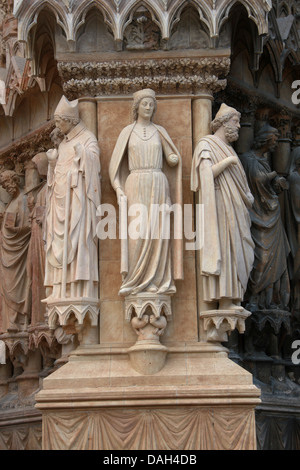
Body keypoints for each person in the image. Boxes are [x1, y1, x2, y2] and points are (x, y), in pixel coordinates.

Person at [109, 88, 183, 297]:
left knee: (158, 233)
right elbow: (114, 166)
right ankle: (135, 279)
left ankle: (157, 280)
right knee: (137, 233)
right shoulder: (127, 132)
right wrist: (118, 189)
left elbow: (172, 157)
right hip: (135, 183)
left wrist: (174, 158)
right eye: (145, 104)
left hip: (158, 182)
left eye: (151, 104)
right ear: (137, 107)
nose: (148, 107)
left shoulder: (159, 131)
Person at [191, 103, 255, 311]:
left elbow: (240, 182)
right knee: (226, 247)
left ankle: (234, 297)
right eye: (235, 122)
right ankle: (226, 299)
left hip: (236, 208)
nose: (238, 127)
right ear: (224, 123)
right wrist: (228, 162)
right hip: (220, 205)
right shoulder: (206, 144)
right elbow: (204, 175)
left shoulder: (228, 149)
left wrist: (247, 196)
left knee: (241, 248)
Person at [44, 96, 101, 301]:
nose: (58, 127)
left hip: (77, 201)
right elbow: (56, 174)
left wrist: (83, 155)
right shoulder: (64, 143)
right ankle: (61, 288)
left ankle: (78, 287)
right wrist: (52, 164)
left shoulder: (87, 139)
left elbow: (94, 164)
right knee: (58, 241)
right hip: (60, 201)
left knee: (77, 238)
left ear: (71, 120)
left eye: (60, 122)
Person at [240, 124, 290, 310]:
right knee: (260, 257)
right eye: (275, 141)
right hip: (255, 216)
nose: (276, 145)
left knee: (274, 258)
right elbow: (257, 180)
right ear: (265, 140)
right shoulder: (246, 159)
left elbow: (266, 186)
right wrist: (275, 175)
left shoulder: (264, 161)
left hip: (272, 215)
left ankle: (268, 299)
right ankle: (252, 296)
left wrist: (277, 183)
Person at [0, 170, 31, 331]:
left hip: (19, 252)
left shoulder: (23, 200)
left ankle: (18, 320)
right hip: (7, 252)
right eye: (4, 185)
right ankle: (10, 321)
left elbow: (29, 227)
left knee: (17, 286)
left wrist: (14, 230)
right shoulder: (11, 202)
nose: (6, 187)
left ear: (15, 180)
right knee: (6, 285)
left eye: (7, 183)